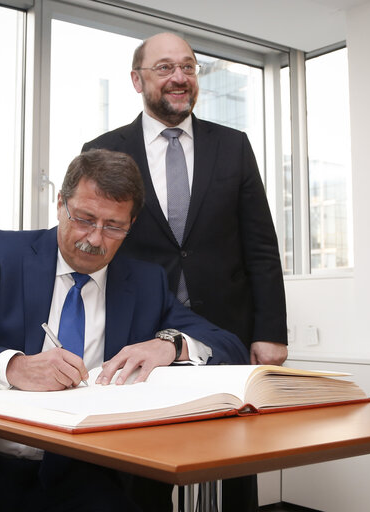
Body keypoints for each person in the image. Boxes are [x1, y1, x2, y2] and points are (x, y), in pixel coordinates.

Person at [0, 149, 248, 511]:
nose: (95, 239)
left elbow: (229, 347)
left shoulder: (144, 282)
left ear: (131, 225)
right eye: (84, 219)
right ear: (60, 203)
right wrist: (13, 367)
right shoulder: (4, 256)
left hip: (83, 470)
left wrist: (170, 344)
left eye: (113, 226)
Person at [82, 32, 288, 511]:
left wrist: (270, 330)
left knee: (232, 462)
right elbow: (94, 242)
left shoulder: (233, 146)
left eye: (189, 67)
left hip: (225, 334)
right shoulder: (104, 148)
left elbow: (261, 244)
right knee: (138, 466)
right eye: (165, 68)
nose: (180, 78)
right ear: (137, 80)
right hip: (135, 333)